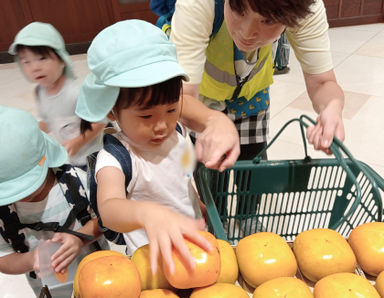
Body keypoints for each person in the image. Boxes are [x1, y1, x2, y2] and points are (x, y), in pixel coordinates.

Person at [75, 19, 215, 275]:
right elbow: (109, 209)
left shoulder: (179, 132)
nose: (162, 125)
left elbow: (179, 180)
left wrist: (196, 206)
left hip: (195, 245)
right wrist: (147, 213)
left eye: (171, 109)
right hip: (152, 263)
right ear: (112, 111)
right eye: (146, 116)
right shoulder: (115, 159)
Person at [170, 0, 345, 158]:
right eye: (238, 10)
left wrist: (332, 108)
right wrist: (211, 120)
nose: (247, 33)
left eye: (267, 20)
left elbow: (322, 82)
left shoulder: (305, 7)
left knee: (252, 170)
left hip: (252, 96)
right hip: (201, 100)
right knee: (209, 172)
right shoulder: (198, 3)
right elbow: (180, 95)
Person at [0, 106, 108, 297]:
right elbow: (4, 258)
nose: (19, 196)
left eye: (28, 185)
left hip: (101, 280)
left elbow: (106, 219)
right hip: (51, 292)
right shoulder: (4, 215)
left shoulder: (77, 182)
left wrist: (79, 239)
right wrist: (30, 259)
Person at [8, 21, 107, 169]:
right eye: (26, 61)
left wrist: (78, 141)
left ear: (62, 59)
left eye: (42, 58)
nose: (35, 67)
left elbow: (100, 122)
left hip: (94, 156)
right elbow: (45, 121)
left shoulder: (75, 92)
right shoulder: (40, 91)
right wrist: (32, 138)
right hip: (72, 157)